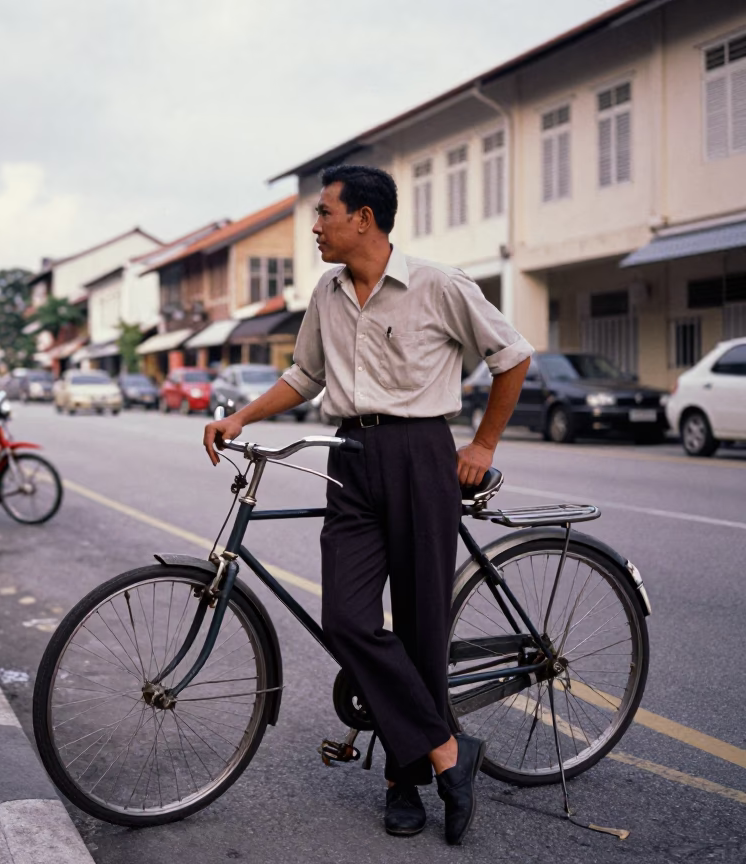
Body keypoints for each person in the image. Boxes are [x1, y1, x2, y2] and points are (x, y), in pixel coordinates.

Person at [203, 165, 532, 846]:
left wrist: (484, 444)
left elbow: (512, 355)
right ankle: (447, 750)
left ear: (365, 219)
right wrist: (242, 418)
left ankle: (403, 782)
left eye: (324, 213)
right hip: (350, 457)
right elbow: (305, 374)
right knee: (347, 619)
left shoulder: (438, 285)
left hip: (421, 455)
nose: (315, 226)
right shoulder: (326, 291)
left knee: (419, 625)